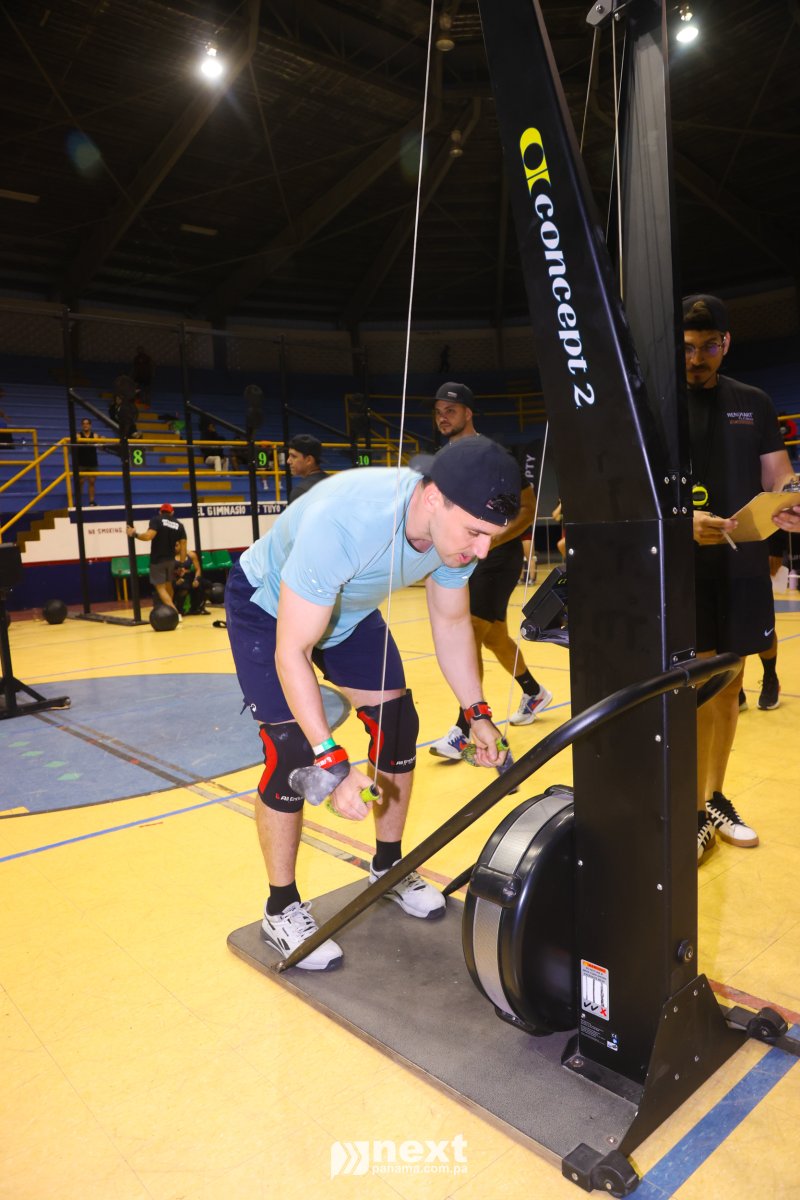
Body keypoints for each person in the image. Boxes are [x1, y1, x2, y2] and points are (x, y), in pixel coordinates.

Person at [225, 437, 520, 970]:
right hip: (268, 609)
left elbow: (452, 621)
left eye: (491, 538)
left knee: (397, 723)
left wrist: (476, 713)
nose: (481, 551)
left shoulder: (454, 537)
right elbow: (292, 651)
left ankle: (388, 867)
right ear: (433, 498)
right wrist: (331, 760)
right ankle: (281, 908)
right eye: (475, 533)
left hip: (348, 612)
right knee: (293, 752)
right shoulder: (347, 520)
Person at [684, 295, 800, 863]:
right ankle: (687, 810)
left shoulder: (753, 402)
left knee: (729, 684)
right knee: (693, 688)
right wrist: (683, 523)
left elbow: (779, 475)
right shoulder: (657, 404)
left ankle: (713, 799)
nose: (697, 359)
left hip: (741, 562)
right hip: (682, 566)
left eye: (709, 346)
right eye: (687, 347)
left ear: (726, 343)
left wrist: (790, 500)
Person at [428, 382, 552, 761]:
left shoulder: (495, 455)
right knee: (494, 636)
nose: (443, 417)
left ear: (468, 413)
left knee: (470, 633)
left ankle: (465, 728)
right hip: (463, 561)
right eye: (438, 412)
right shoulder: (441, 459)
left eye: (451, 410)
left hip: (497, 558)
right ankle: (534, 691)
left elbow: (527, 509)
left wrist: (490, 541)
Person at [126, 502, 187, 615]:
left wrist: (134, 534)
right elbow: (183, 546)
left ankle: (174, 613)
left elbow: (148, 536)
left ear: (160, 512)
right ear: (172, 512)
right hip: (171, 561)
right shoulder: (179, 525)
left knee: (160, 588)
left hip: (157, 561)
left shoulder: (156, 520)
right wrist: (181, 565)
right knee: (169, 586)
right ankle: (169, 612)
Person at [287, 433, 327, 502]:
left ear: (309, 460)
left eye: (293, 456)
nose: (288, 461)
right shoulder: (333, 482)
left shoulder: (301, 491)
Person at [173, 549, 208, 615]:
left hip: (189, 577)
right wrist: (176, 578)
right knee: (184, 587)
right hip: (175, 578)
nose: (175, 547)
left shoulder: (191, 554)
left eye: (177, 545)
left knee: (206, 584)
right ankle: (179, 609)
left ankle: (197, 608)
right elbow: (166, 571)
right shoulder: (169, 556)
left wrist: (196, 579)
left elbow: (198, 569)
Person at [74, 417, 99, 505]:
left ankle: (91, 501)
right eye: (84, 424)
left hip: (92, 463)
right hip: (81, 463)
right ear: (82, 425)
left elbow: (101, 445)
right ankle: (78, 502)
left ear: (90, 425)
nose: (85, 425)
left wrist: (101, 439)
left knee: (92, 482)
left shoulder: (95, 435)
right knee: (80, 483)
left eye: (87, 423)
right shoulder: (78, 435)